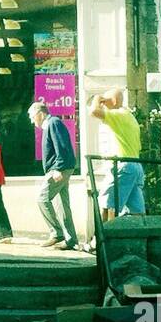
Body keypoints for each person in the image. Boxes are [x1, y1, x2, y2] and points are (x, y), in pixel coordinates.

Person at [28, 101, 78, 250]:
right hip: (62, 167)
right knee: (62, 205)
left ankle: (56, 232)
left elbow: (61, 146)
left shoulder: (53, 123)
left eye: (32, 116)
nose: (32, 121)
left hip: (59, 169)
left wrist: (58, 168)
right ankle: (71, 240)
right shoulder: (52, 124)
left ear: (40, 114)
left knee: (42, 199)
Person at [89, 89, 145, 218]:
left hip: (123, 166)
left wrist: (97, 98)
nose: (103, 106)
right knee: (136, 209)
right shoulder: (130, 117)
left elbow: (94, 111)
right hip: (135, 166)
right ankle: (139, 236)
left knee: (107, 204)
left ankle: (104, 236)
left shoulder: (118, 115)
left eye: (105, 102)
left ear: (113, 101)